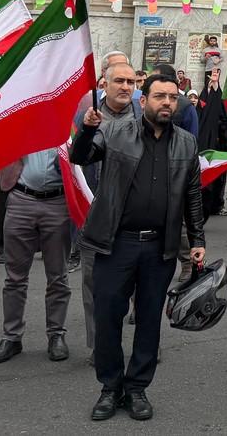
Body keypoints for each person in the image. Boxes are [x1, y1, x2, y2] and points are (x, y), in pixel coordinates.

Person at [72, 74, 206, 421]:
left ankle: (136, 389)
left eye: (172, 97)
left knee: (148, 321)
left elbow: (192, 194)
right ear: (142, 101)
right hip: (115, 244)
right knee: (108, 319)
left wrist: (198, 241)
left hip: (158, 249)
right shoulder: (116, 132)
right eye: (159, 96)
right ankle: (109, 388)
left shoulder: (187, 143)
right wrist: (86, 129)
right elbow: (80, 156)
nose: (166, 103)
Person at [73, 61, 143, 361]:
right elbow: (76, 156)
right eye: (120, 81)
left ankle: (144, 341)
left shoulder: (146, 117)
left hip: (134, 218)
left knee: (141, 285)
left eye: (131, 81)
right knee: (95, 286)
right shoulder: (86, 115)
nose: (126, 87)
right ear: (104, 83)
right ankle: (99, 344)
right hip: (95, 214)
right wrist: (87, 129)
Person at [0, 146, 73, 365]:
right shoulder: (22, 116)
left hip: (58, 201)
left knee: (58, 276)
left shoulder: (68, 124)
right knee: (14, 278)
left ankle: (56, 334)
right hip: (21, 199)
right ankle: (11, 336)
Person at [196, 67, 227, 219]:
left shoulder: (220, 101)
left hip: (217, 147)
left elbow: (225, 120)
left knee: (217, 178)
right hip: (204, 146)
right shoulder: (202, 99)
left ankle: (217, 204)